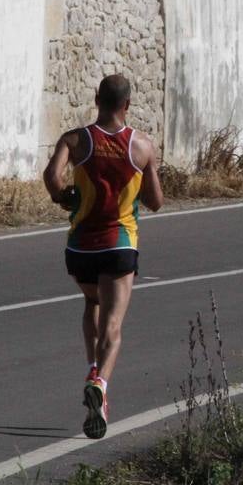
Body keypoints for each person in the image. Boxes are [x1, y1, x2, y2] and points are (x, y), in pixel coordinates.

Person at [42, 74, 164, 439]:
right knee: (113, 324)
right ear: (127, 105)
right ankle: (101, 383)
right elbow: (156, 202)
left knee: (91, 301)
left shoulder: (76, 140)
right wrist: (146, 169)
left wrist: (62, 196)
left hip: (80, 248)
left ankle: (91, 365)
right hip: (119, 245)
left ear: (97, 99)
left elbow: (51, 175)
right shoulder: (141, 145)